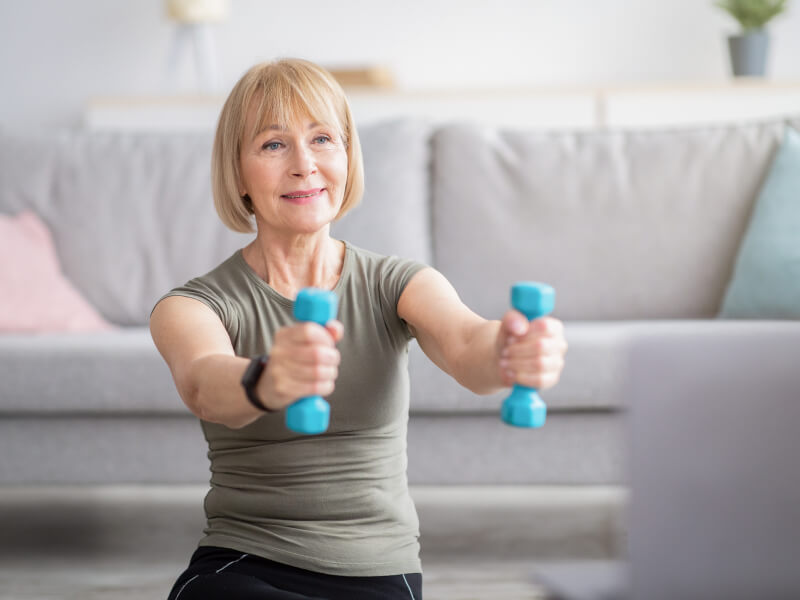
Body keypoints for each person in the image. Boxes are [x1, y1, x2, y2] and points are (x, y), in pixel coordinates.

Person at [150, 58, 568, 600]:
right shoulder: (192, 304)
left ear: (347, 156)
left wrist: (511, 353)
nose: (304, 165)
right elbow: (204, 383)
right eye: (274, 145)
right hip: (244, 563)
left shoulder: (397, 283)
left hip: (377, 571)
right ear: (237, 172)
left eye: (322, 138)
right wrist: (271, 379)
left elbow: (468, 344)